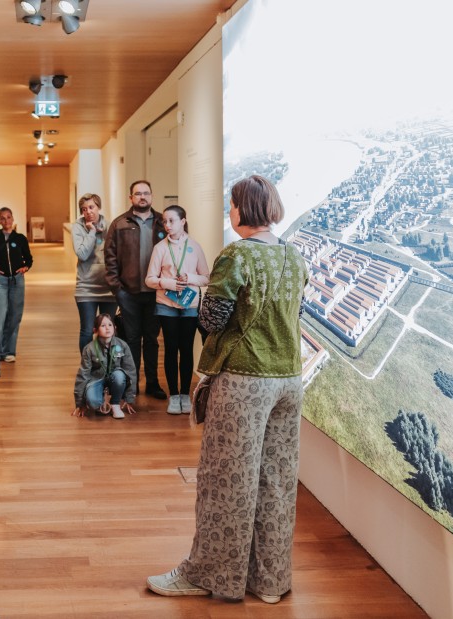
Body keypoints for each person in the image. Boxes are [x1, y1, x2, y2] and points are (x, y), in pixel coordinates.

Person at [146, 175, 309, 606]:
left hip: (244, 379)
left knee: (226, 481)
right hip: (290, 379)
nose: (229, 211)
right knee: (276, 481)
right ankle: (270, 581)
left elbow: (213, 320)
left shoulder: (236, 255)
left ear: (244, 209)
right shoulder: (294, 254)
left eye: (232, 204)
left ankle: (210, 575)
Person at [104, 180, 167, 400]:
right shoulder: (120, 223)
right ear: (130, 197)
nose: (142, 197)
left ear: (152, 196)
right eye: (138, 193)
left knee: (151, 339)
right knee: (131, 340)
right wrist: (117, 289)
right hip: (128, 293)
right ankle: (131, 384)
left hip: (156, 293)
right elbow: (109, 257)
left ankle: (152, 383)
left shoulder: (162, 222)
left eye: (146, 193)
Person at [144, 205, 210, 415]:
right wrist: (169, 283)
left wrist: (189, 279)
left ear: (183, 221)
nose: (168, 225)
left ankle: (184, 394)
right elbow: (150, 279)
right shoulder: (160, 248)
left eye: (172, 221)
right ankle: (173, 396)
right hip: (167, 305)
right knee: (171, 350)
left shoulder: (195, 246)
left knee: (186, 350)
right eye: (165, 221)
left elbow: (206, 277)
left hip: (189, 306)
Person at [0, 207, 32, 363]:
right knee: (0, 315)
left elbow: (28, 258)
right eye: (2, 218)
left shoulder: (20, 238)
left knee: (14, 316)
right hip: (1, 282)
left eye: (8, 217)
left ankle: (9, 351)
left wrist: (26, 267)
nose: (6, 221)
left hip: (17, 281)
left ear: (13, 219)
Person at [71, 193, 116, 352]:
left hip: (108, 288)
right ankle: (87, 366)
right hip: (86, 287)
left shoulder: (110, 226)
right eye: (84, 209)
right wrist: (91, 232)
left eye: (91, 207)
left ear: (98, 207)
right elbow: (82, 254)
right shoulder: (78, 227)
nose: (88, 211)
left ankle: (106, 365)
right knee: (87, 330)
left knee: (108, 331)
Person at [72, 313, 137, 420]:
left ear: (115, 328)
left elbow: (130, 371)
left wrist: (129, 398)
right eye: (103, 325)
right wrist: (80, 403)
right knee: (93, 402)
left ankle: (115, 404)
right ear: (95, 330)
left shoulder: (123, 345)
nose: (107, 328)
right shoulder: (89, 348)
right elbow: (83, 375)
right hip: (96, 379)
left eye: (110, 325)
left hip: (115, 379)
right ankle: (100, 400)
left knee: (120, 376)